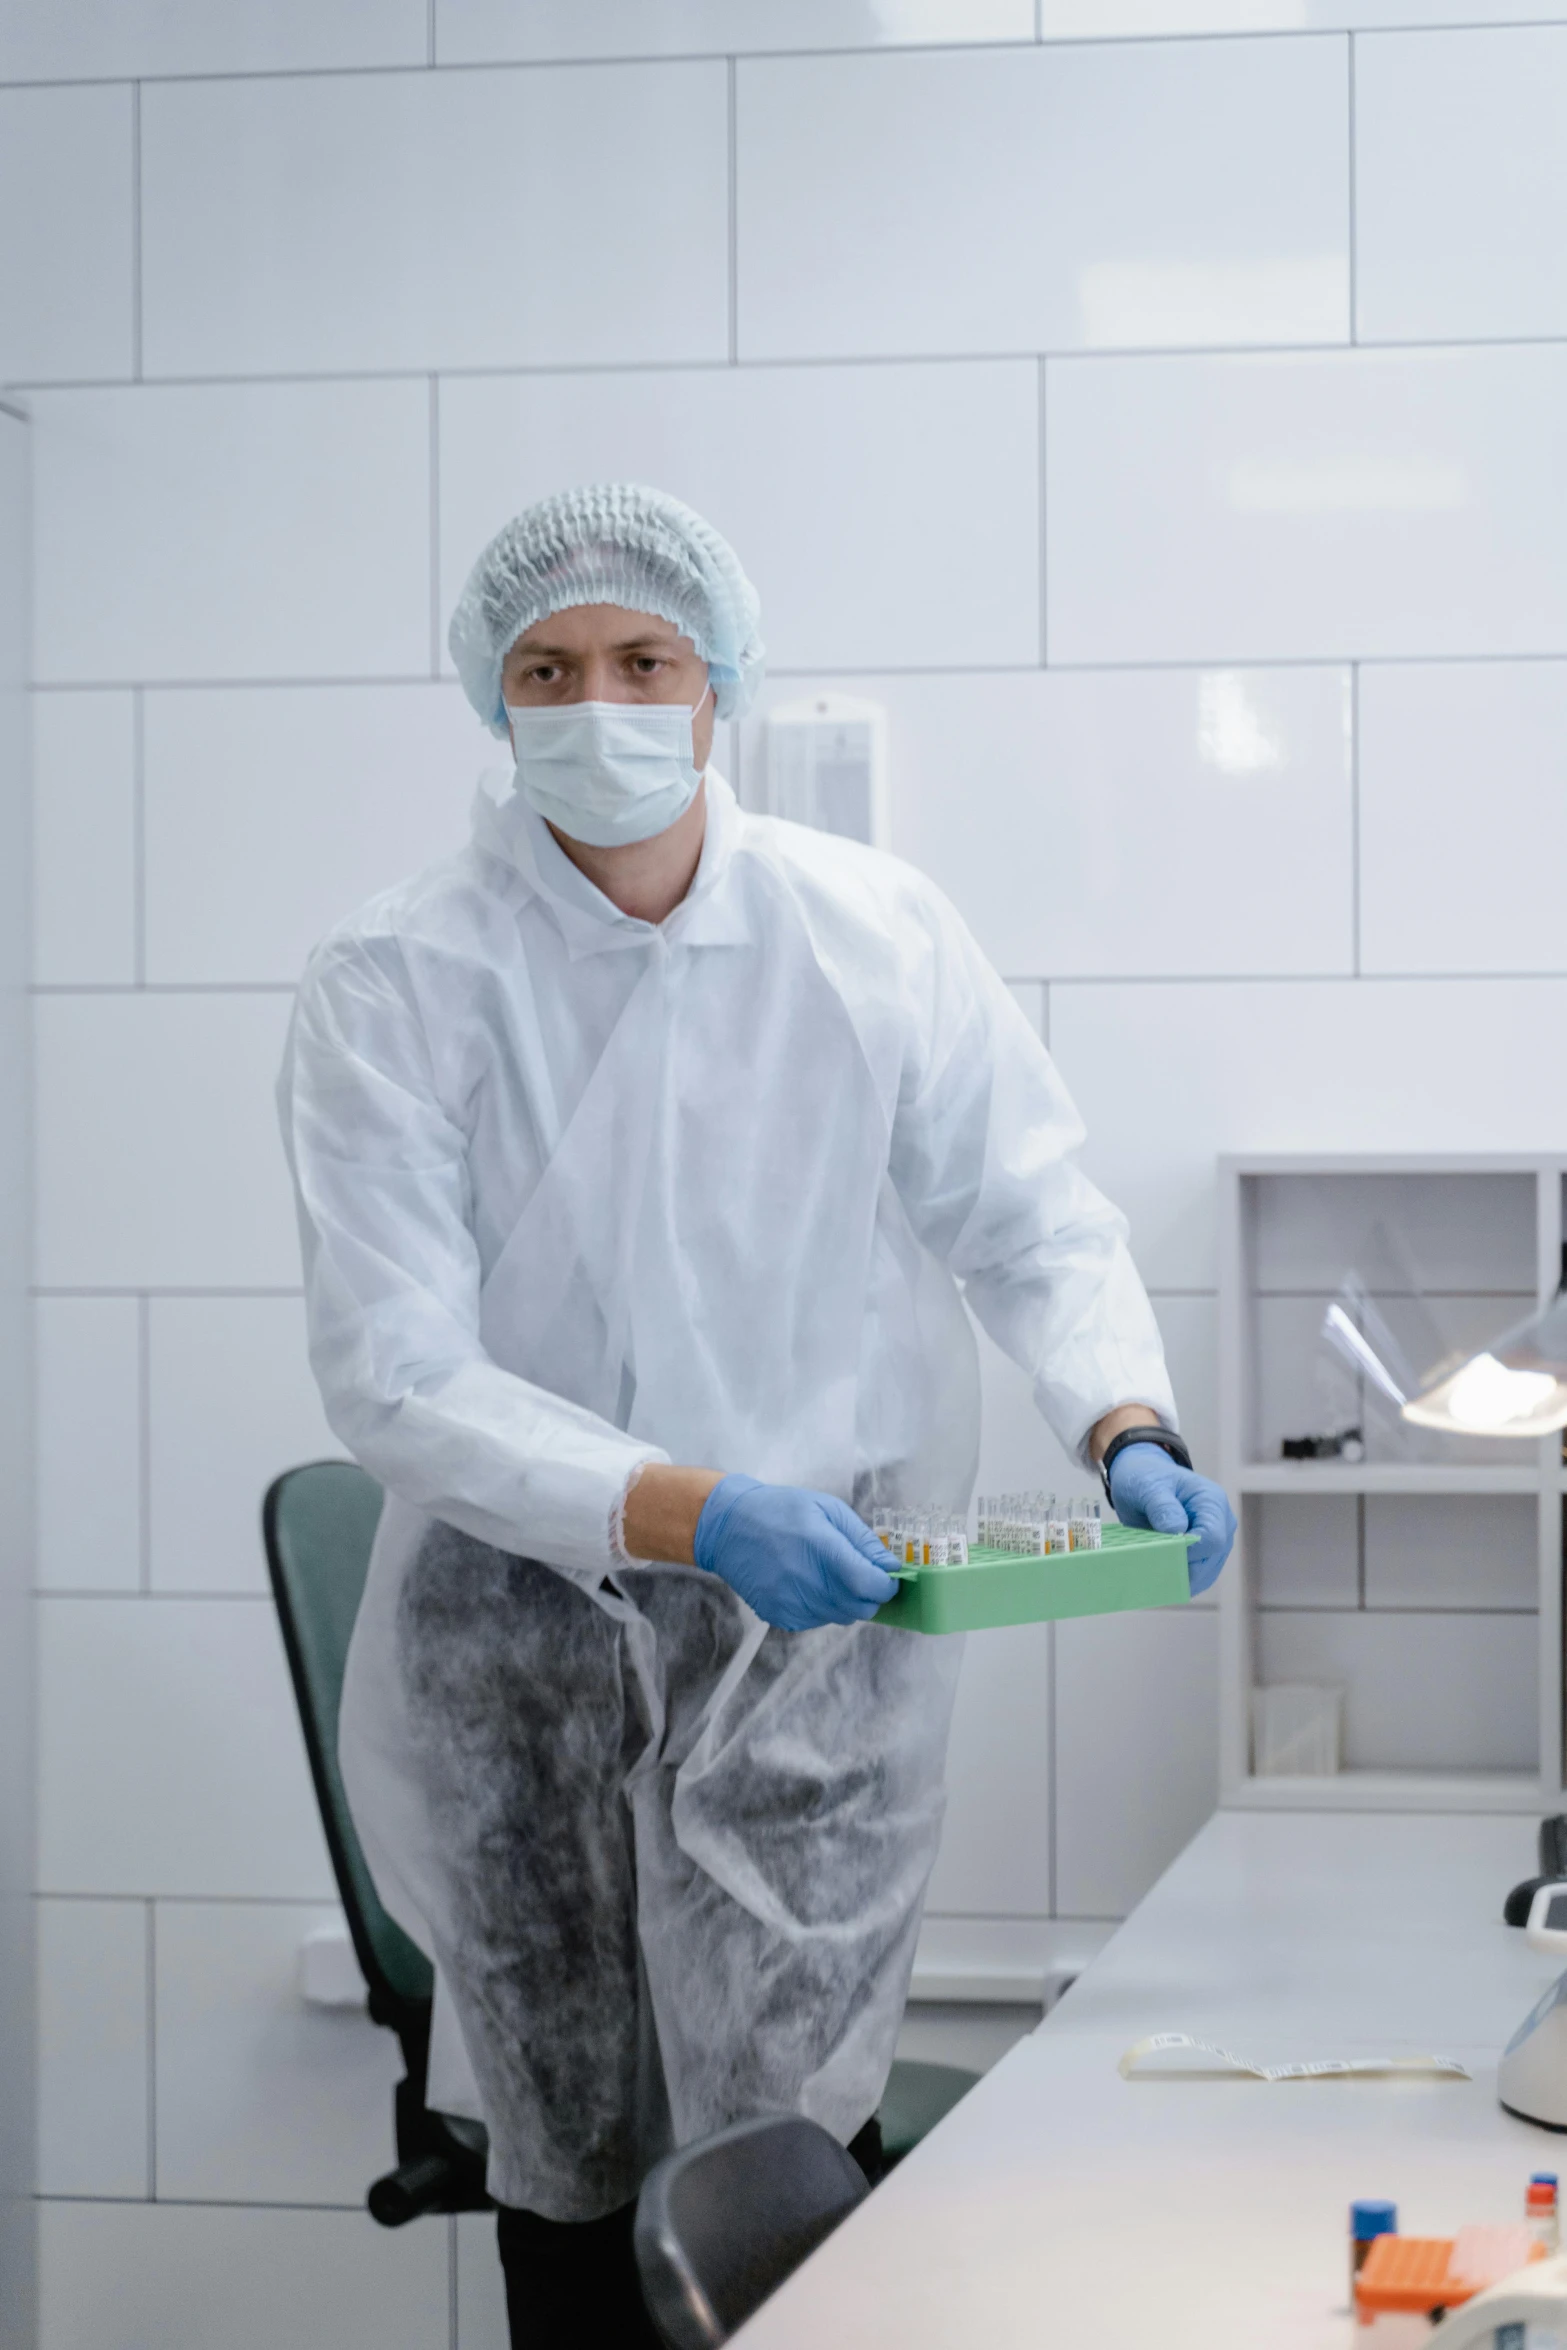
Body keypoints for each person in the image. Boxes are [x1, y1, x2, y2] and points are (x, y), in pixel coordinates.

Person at [278, 483, 1235, 2345]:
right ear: (491, 697)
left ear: (721, 689)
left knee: (785, 2186)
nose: (598, 701)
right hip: (523, 1629)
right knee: (570, 2177)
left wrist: (1124, 1416)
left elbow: (1028, 1209)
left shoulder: (868, 930)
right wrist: (683, 1505)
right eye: (546, 668)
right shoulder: (396, 976)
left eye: (645, 660)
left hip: (819, 1651)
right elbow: (393, 1365)